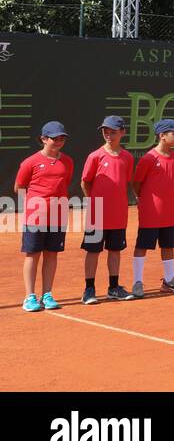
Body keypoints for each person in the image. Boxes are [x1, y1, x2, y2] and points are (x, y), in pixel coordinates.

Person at [131, 119, 174, 297]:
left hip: (169, 212)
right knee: (142, 245)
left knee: (168, 246)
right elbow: (136, 183)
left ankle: (169, 280)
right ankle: (137, 282)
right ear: (162, 136)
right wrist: (141, 198)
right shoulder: (148, 159)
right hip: (150, 212)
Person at [16, 121, 75, 312]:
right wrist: (33, 208)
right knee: (32, 254)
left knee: (51, 254)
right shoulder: (30, 162)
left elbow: (64, 184)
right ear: (43, 139)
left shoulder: (67, 161)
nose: (58, 141)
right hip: (35, 217)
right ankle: (29, 296)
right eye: (54, 138)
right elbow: (19, 187)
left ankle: (47, 293)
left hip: (58, 216)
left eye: (61, 138)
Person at [80, 116, 135, 304]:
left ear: (122, 133)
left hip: (118, 214)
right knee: (93, 251)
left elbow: (125, 183)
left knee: (115, 250)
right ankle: (89, 290)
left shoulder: (127, 157)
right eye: (106, 132)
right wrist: (94, 204)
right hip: (97, 214)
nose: (109, 135)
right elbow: (85, 182)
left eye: (113, 132)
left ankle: (113, 287)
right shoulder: (94, 156)